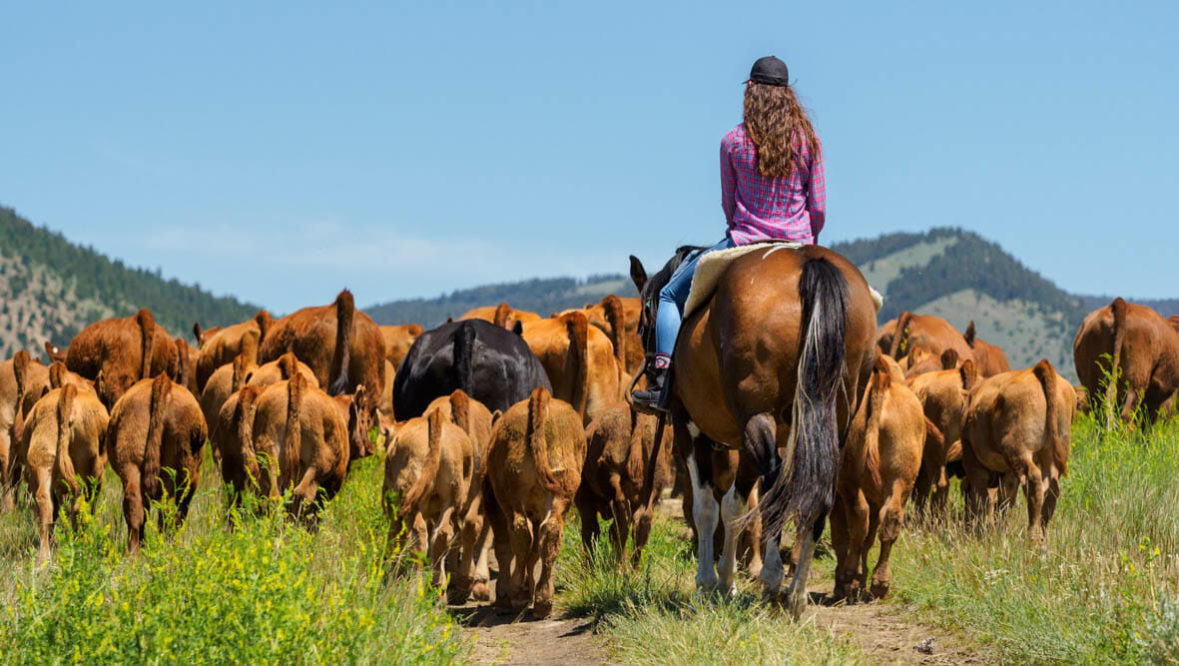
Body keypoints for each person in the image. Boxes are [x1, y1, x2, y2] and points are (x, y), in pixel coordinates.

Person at [632, 55, 826, 412]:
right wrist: (803, 238)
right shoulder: (808, 141)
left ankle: (661, 382)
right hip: (799, 244)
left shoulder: (732, 142)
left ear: (750, 92)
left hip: (744, 241)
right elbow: (818, 210)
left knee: (672, 295)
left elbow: (729, 207)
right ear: (789, 96)